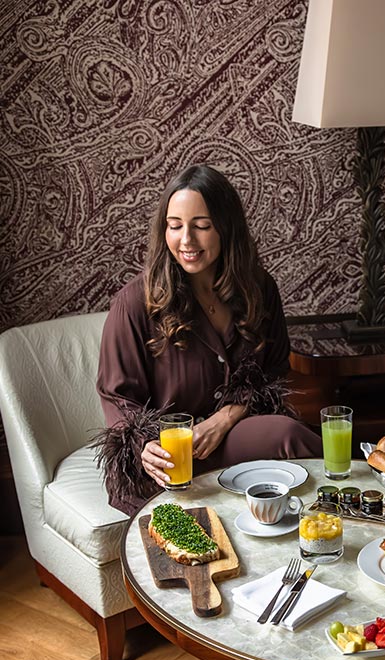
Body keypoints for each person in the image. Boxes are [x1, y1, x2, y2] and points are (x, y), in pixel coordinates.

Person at [95, 164, 321, 514]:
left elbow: (274, 374)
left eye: (201, 226)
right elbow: (116, 396)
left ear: (226, 228)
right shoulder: (134, 302)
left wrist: (226, 418)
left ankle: (353, 506)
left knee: (287, 434)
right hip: (167, 457)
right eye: (175, 226)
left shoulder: (260, 289)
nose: (186, 240)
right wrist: (145, 446)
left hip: (233, 437)